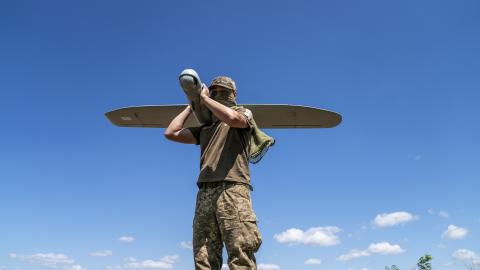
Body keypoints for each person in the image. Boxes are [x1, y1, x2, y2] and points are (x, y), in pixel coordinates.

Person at [164, 76, 262, 270]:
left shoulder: (243, 114)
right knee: (204, 255)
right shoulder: (205, 129)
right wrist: (193, 104)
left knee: (240, 250)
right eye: (214, 91)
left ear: (234, 94)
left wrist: (206, 100)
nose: (219, 95)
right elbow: (171, 133)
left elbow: (233, 119)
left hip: (232, 189)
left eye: (223, 91)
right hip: (205, 192)